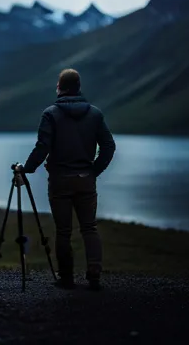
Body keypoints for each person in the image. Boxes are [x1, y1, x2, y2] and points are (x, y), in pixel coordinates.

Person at [14, 68, 116, 291]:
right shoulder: (95, 114)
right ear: (79, 87)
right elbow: (108, 146)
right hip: (85, 179)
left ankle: (67, 278)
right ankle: (94, 275)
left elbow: (43, 147)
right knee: (89, 227)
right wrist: (93, 171)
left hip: (60, 181)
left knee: (63, 231)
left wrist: (27, 169)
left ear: (59, 87)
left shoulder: (50, 113)